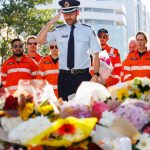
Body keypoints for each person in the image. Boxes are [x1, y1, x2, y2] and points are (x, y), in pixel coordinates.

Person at [37, 0, 101, 100]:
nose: (68, 17)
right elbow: (39, 40)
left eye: (71, 13)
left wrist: (96, 75)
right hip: (64, 78)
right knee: (65, 110)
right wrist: (50, 22)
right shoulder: (58, 30)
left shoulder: (88, 30)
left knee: (85, 109)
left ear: (77, 13)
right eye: (65, 14)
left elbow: (96, 55)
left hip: (83, 77)